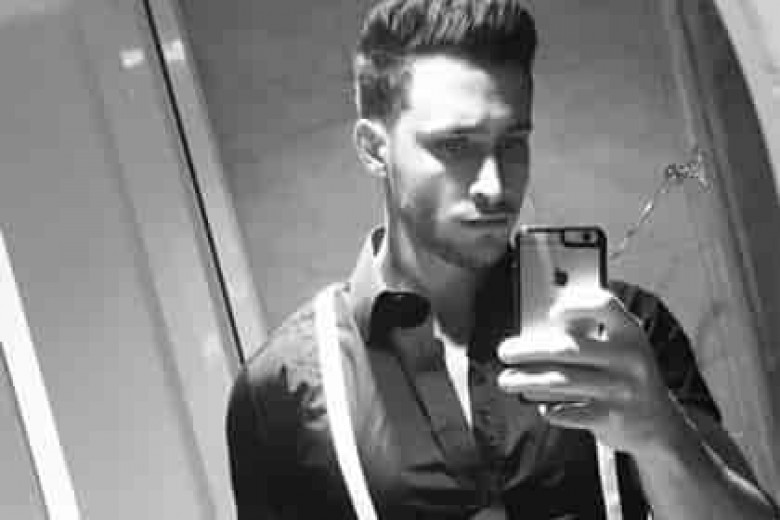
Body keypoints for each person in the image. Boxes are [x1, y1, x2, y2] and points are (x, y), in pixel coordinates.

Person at [226, 0, 778, 518]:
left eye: (513, 142)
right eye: (455, 145)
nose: (495, 185)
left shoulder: (623, 331)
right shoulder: (281, 391)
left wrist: (662, 437)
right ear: (375, 149)